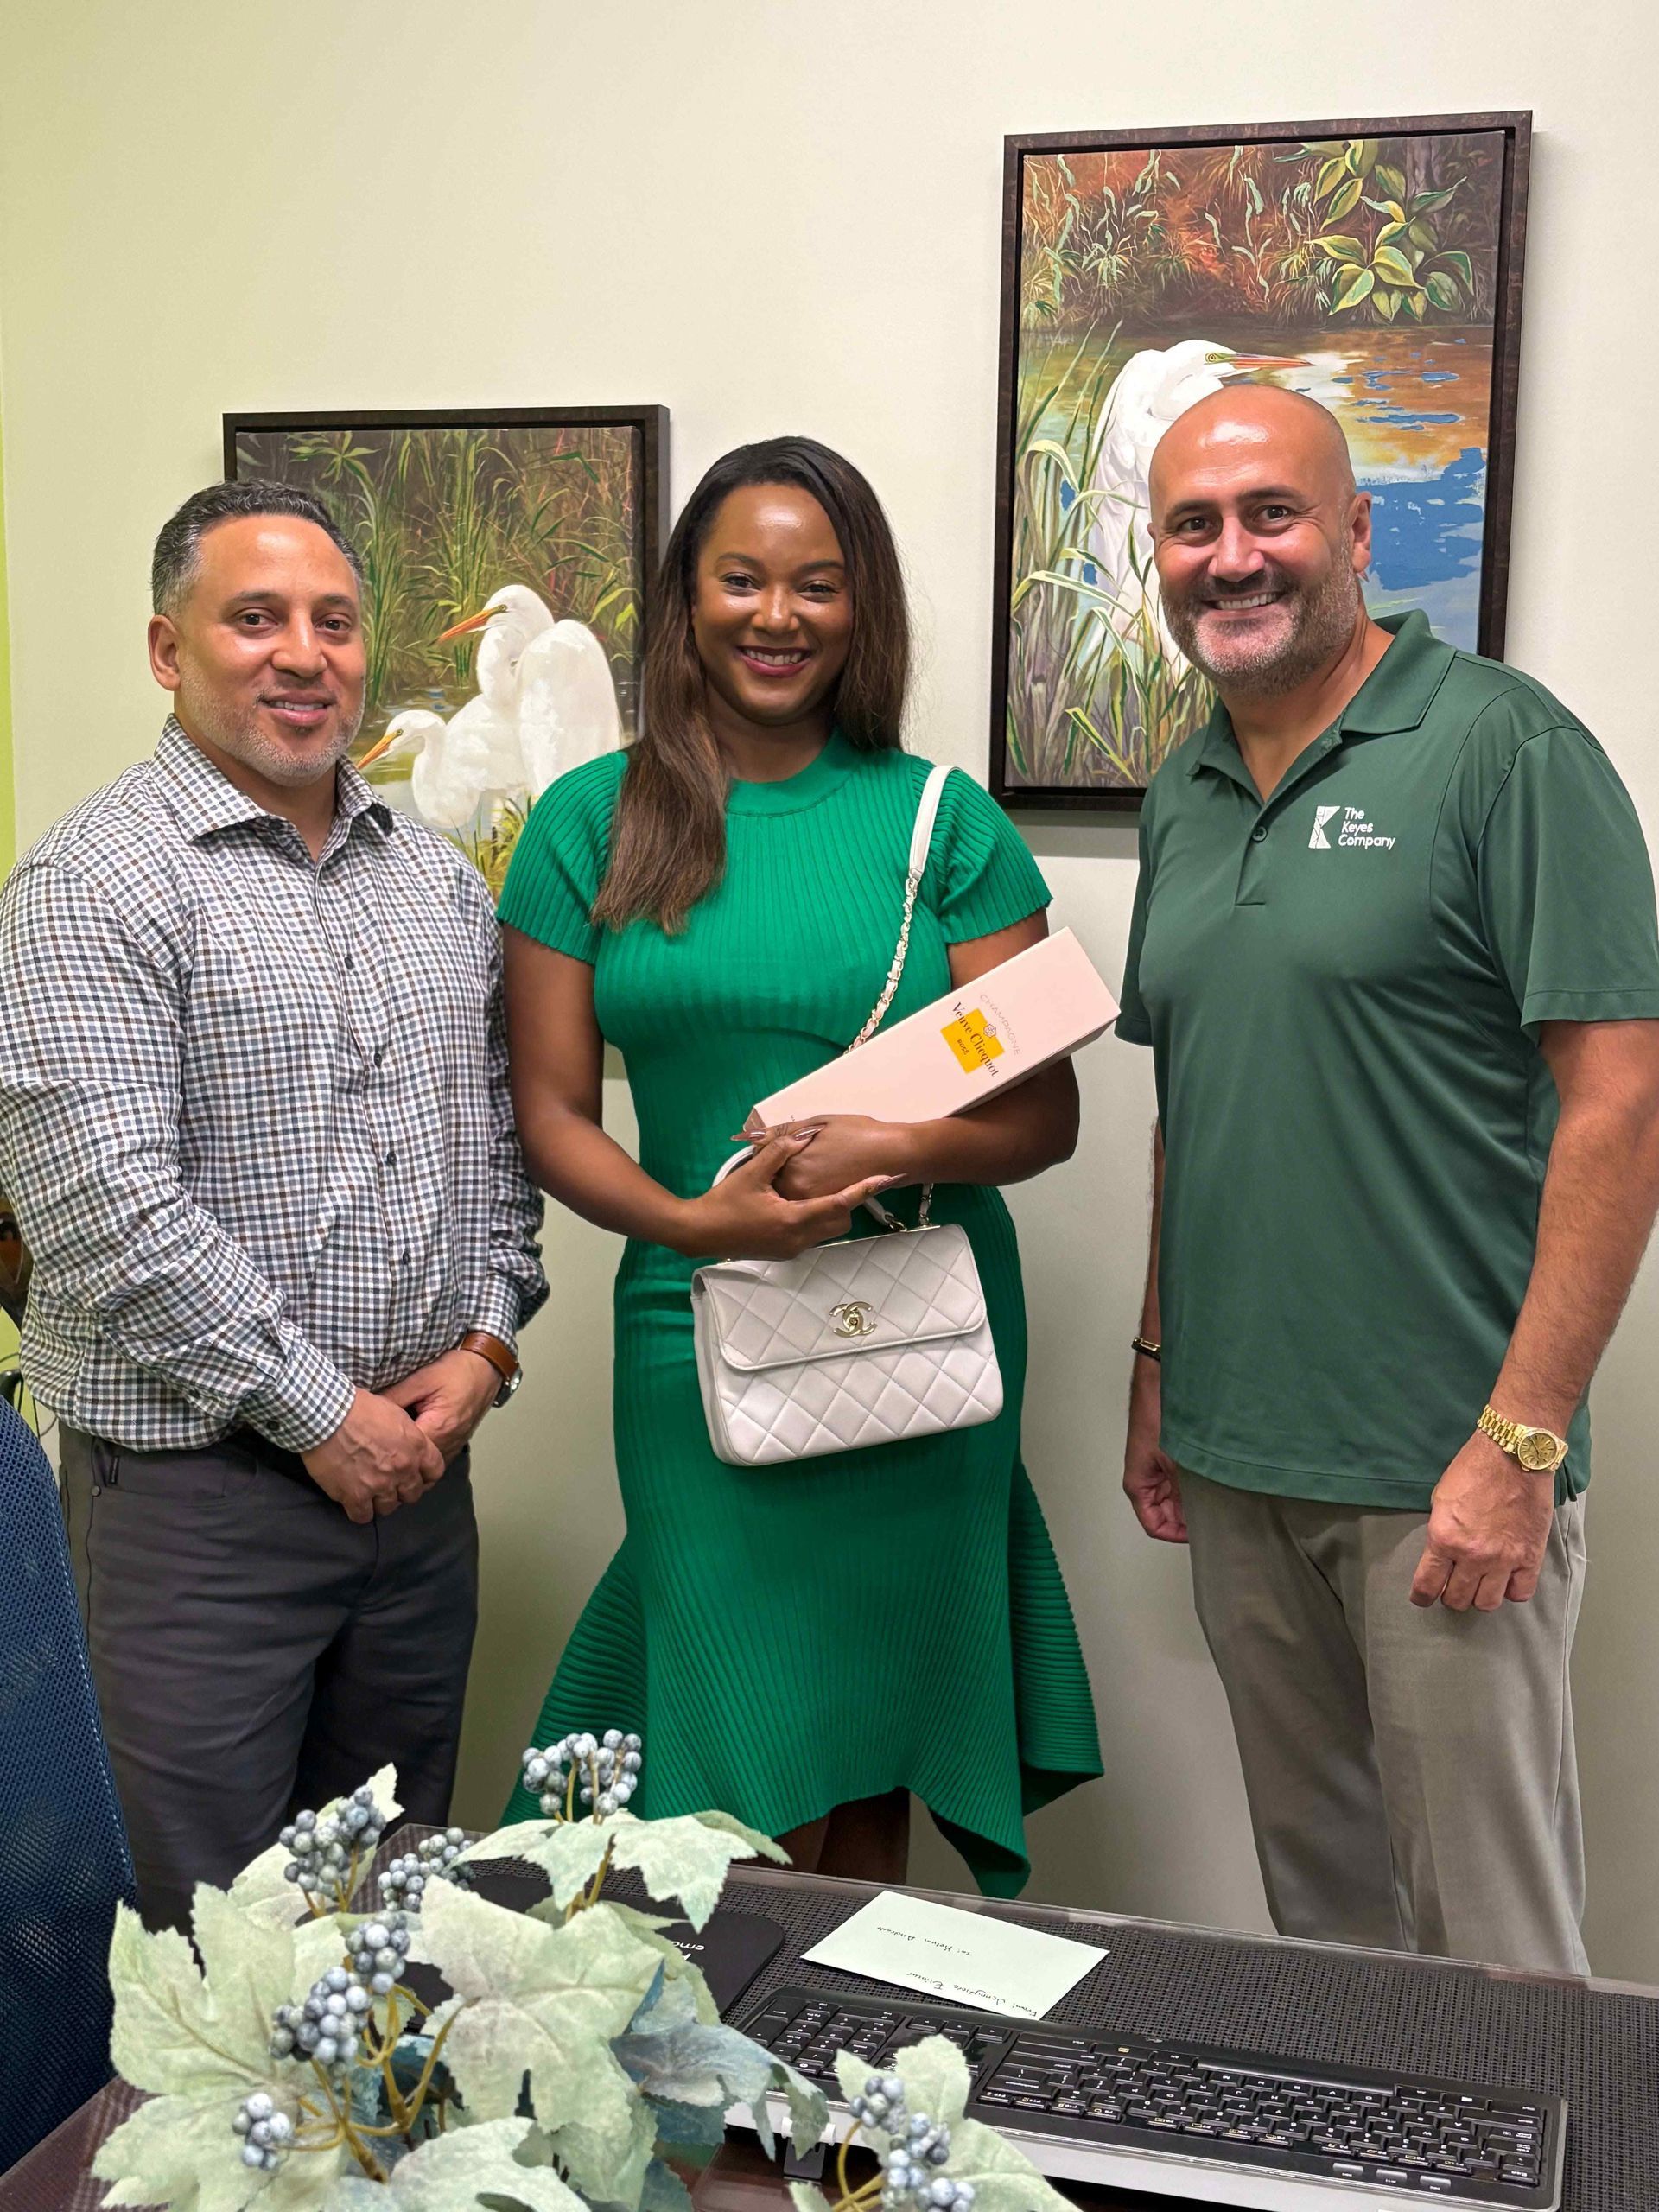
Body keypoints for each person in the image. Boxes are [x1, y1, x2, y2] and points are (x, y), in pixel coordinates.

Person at [497, 435, 1102, 1890]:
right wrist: (701, 1223)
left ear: (862, 607)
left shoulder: (943, 821)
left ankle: (840, 2089)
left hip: (920, 1332)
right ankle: (728, 2082)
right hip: (692, 1324)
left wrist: (896, 1139)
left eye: (818, 585)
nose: (779, 616)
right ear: (686, 600)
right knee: (729, 1737)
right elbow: (552, 1111)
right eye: (743, 581)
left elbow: (1042, 1116)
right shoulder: (592, 821)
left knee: (878, 1721)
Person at [1116, 385, 1659, 1974]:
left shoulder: (1507, 748)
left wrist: (1522, 1441)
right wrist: (1157, 1368)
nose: (1233, 557)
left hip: (1447, 1468)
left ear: (1356, 533)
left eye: (1271, 514)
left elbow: (1619, 1111)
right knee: (1326, 1940)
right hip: (1236, 1457)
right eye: (1194, 525)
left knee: (1494, 1960)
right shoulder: (1185, 789)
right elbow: (1190, 1102)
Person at [0, 480, 547, 1930]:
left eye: (334, 622)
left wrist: (487, 1345)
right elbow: (106, 1213)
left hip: (420, 1490)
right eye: (255, 619)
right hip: (198, 1509)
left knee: (385, 1927)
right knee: (203, 1947)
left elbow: (490, 1149)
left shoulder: (432, 883)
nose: (304, 654)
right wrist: (320, 1412)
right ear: (168, 651)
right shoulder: (89, 886)